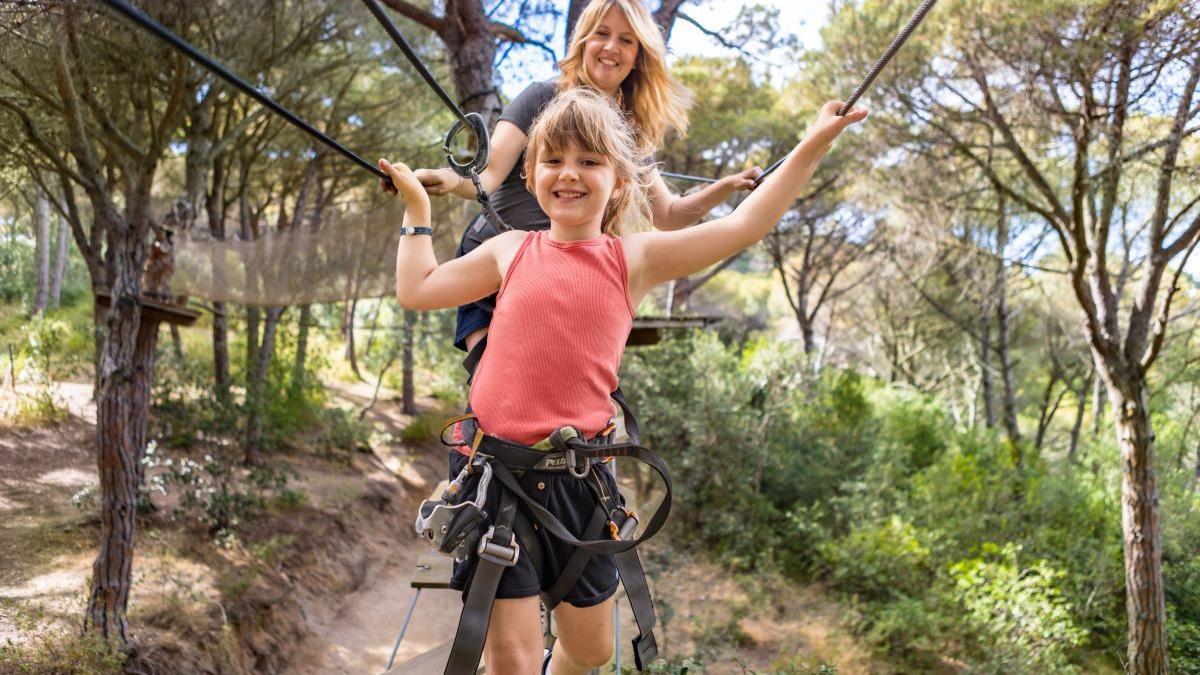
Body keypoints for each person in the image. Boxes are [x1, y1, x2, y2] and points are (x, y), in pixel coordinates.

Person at [380, 87, 867, 675]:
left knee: (591, 650)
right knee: (512, 657)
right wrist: (416, 213)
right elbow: (417, 290)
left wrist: (815, 141)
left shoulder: (632, 260)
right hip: (498, 476)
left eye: (590, 161)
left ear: (619, 180)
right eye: (554, 159)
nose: (569, 174)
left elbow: (745, 225)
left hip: (580, 482)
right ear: (531, 173)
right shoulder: (509, 251)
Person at [405, 0, 761, 355]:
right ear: (583, 42)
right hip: (496, 262)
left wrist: (725, 188)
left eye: (626, 40)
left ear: (638, 55)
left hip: (564, 272)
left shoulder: (628, 130)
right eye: (601, 34)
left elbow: (668, 215)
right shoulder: (541, 98)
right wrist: (448, 179)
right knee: (492, 380)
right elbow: (489, 172)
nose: (610, 47)